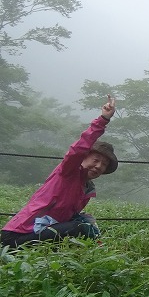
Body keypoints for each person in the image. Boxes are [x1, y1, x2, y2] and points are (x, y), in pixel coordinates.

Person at [1, 96, 117, 247]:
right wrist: (103, 120)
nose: (98, 166)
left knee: (85, 222)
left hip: (39, 232)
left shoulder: (87, 189)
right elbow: (78, 149)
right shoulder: (68, 171)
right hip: (18, 234)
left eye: (104, 164)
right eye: (95, 160)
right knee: (78, 228)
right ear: (83, 157)